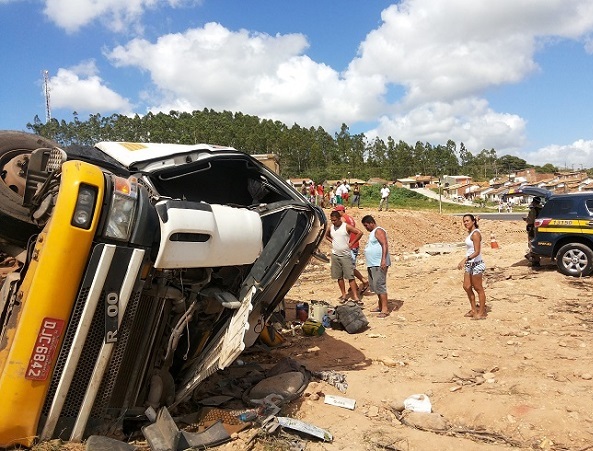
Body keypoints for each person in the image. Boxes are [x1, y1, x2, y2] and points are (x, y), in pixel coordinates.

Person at [325, 210, 363, 304]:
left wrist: (352, 243)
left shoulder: (345, 226)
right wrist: (333, 242)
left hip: (345, 255)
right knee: (339, 276)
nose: (333, 222)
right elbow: (326, 235)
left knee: (350, 276)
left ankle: (355, 297)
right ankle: (344, 295)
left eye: (335, 220)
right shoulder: (332, 227)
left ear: (339, 219)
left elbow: (359, 232)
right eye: (332, 220)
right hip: (335, 254)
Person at [334, 205, 369, 296]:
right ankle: (357, 284)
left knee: (349, 268)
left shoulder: (343, 219)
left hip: (350, 246)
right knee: (349, 267)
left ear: (341, 211)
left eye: (337, 211)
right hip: (353, 245)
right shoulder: (350, 218)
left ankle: (363, 281)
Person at [457, 214, 487, 319]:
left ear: (472, 221)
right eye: (464, 221)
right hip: (470, 264)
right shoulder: (472, 232)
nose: (465, 223)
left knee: (478, 288)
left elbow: (477, 251)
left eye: (467, 221)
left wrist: (465, 259)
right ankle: (474, 309)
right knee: (467, 286)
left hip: (476, 264)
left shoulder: (475, 234)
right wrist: (476, 221)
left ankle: (481, 312)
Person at [361, 215, 391, 318]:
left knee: (380, 285)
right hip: (372, 264)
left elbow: (384, 244)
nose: (366, 228)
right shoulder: (373, 233)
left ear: (371, 223)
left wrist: (383, 259)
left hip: (378, 263)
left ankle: (385, 309)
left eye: (366, 225)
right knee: (375, 286)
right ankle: (380, 305)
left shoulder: (378, 231)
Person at [524, 196, 542, 267]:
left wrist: (526, 219)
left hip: (533, 229)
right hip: (541, 229)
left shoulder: (533, 210)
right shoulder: (543, 209)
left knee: (532, 244)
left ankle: (535, 261)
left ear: (534, 202)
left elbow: (530, 220)